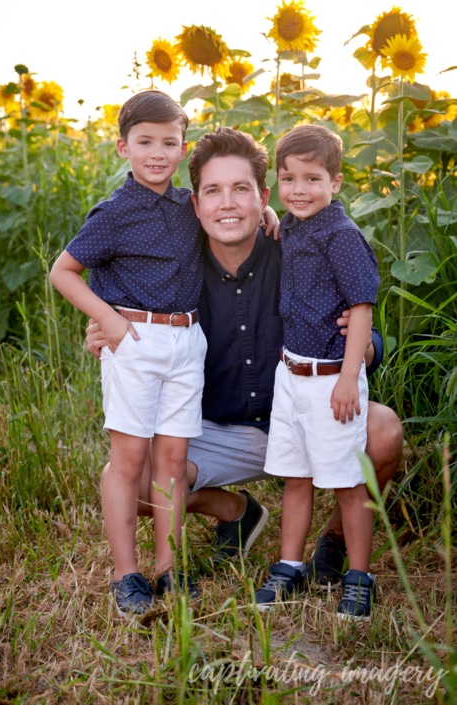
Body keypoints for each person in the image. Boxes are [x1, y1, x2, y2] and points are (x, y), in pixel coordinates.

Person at [86, 127, 403, 596]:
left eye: (241, 190)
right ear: (196, 205)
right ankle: (235, 512)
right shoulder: (174, 270)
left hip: (298, 412)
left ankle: (334, 543)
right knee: (129, 482)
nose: (228, 204)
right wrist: (106, 325)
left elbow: (362, 324)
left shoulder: (298, 249)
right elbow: (122, 299)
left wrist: (365, 348)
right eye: (213, 191)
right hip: (211, 430)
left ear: (263, 198)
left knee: (383, 432)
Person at [50, 90, 209, 619]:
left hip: (186, 340)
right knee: (129, 460)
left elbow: (236, 213)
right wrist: (111, 321)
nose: (157, 153)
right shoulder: (114, 213)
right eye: (145, 142)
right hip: (134, 340)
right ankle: (126, 574)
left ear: (184, 148)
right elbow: (62, 272)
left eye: (169, 142)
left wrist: (270, 215)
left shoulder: (190, 205)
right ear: (123, 147)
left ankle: (169, 567)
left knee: (172, 460)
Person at [254, 124, 380, 621]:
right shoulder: (295, 223)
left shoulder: (343, 237)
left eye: (311, 179)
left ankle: (359, 577)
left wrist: (350, 378)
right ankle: (289, 566)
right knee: (296, 477)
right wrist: (269, 211)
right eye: (288, 179)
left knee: (348, 482)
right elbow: (282, 220)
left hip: (332, 378)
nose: (299, 190)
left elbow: (362, 309)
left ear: (337, 182)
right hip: (291, 375)